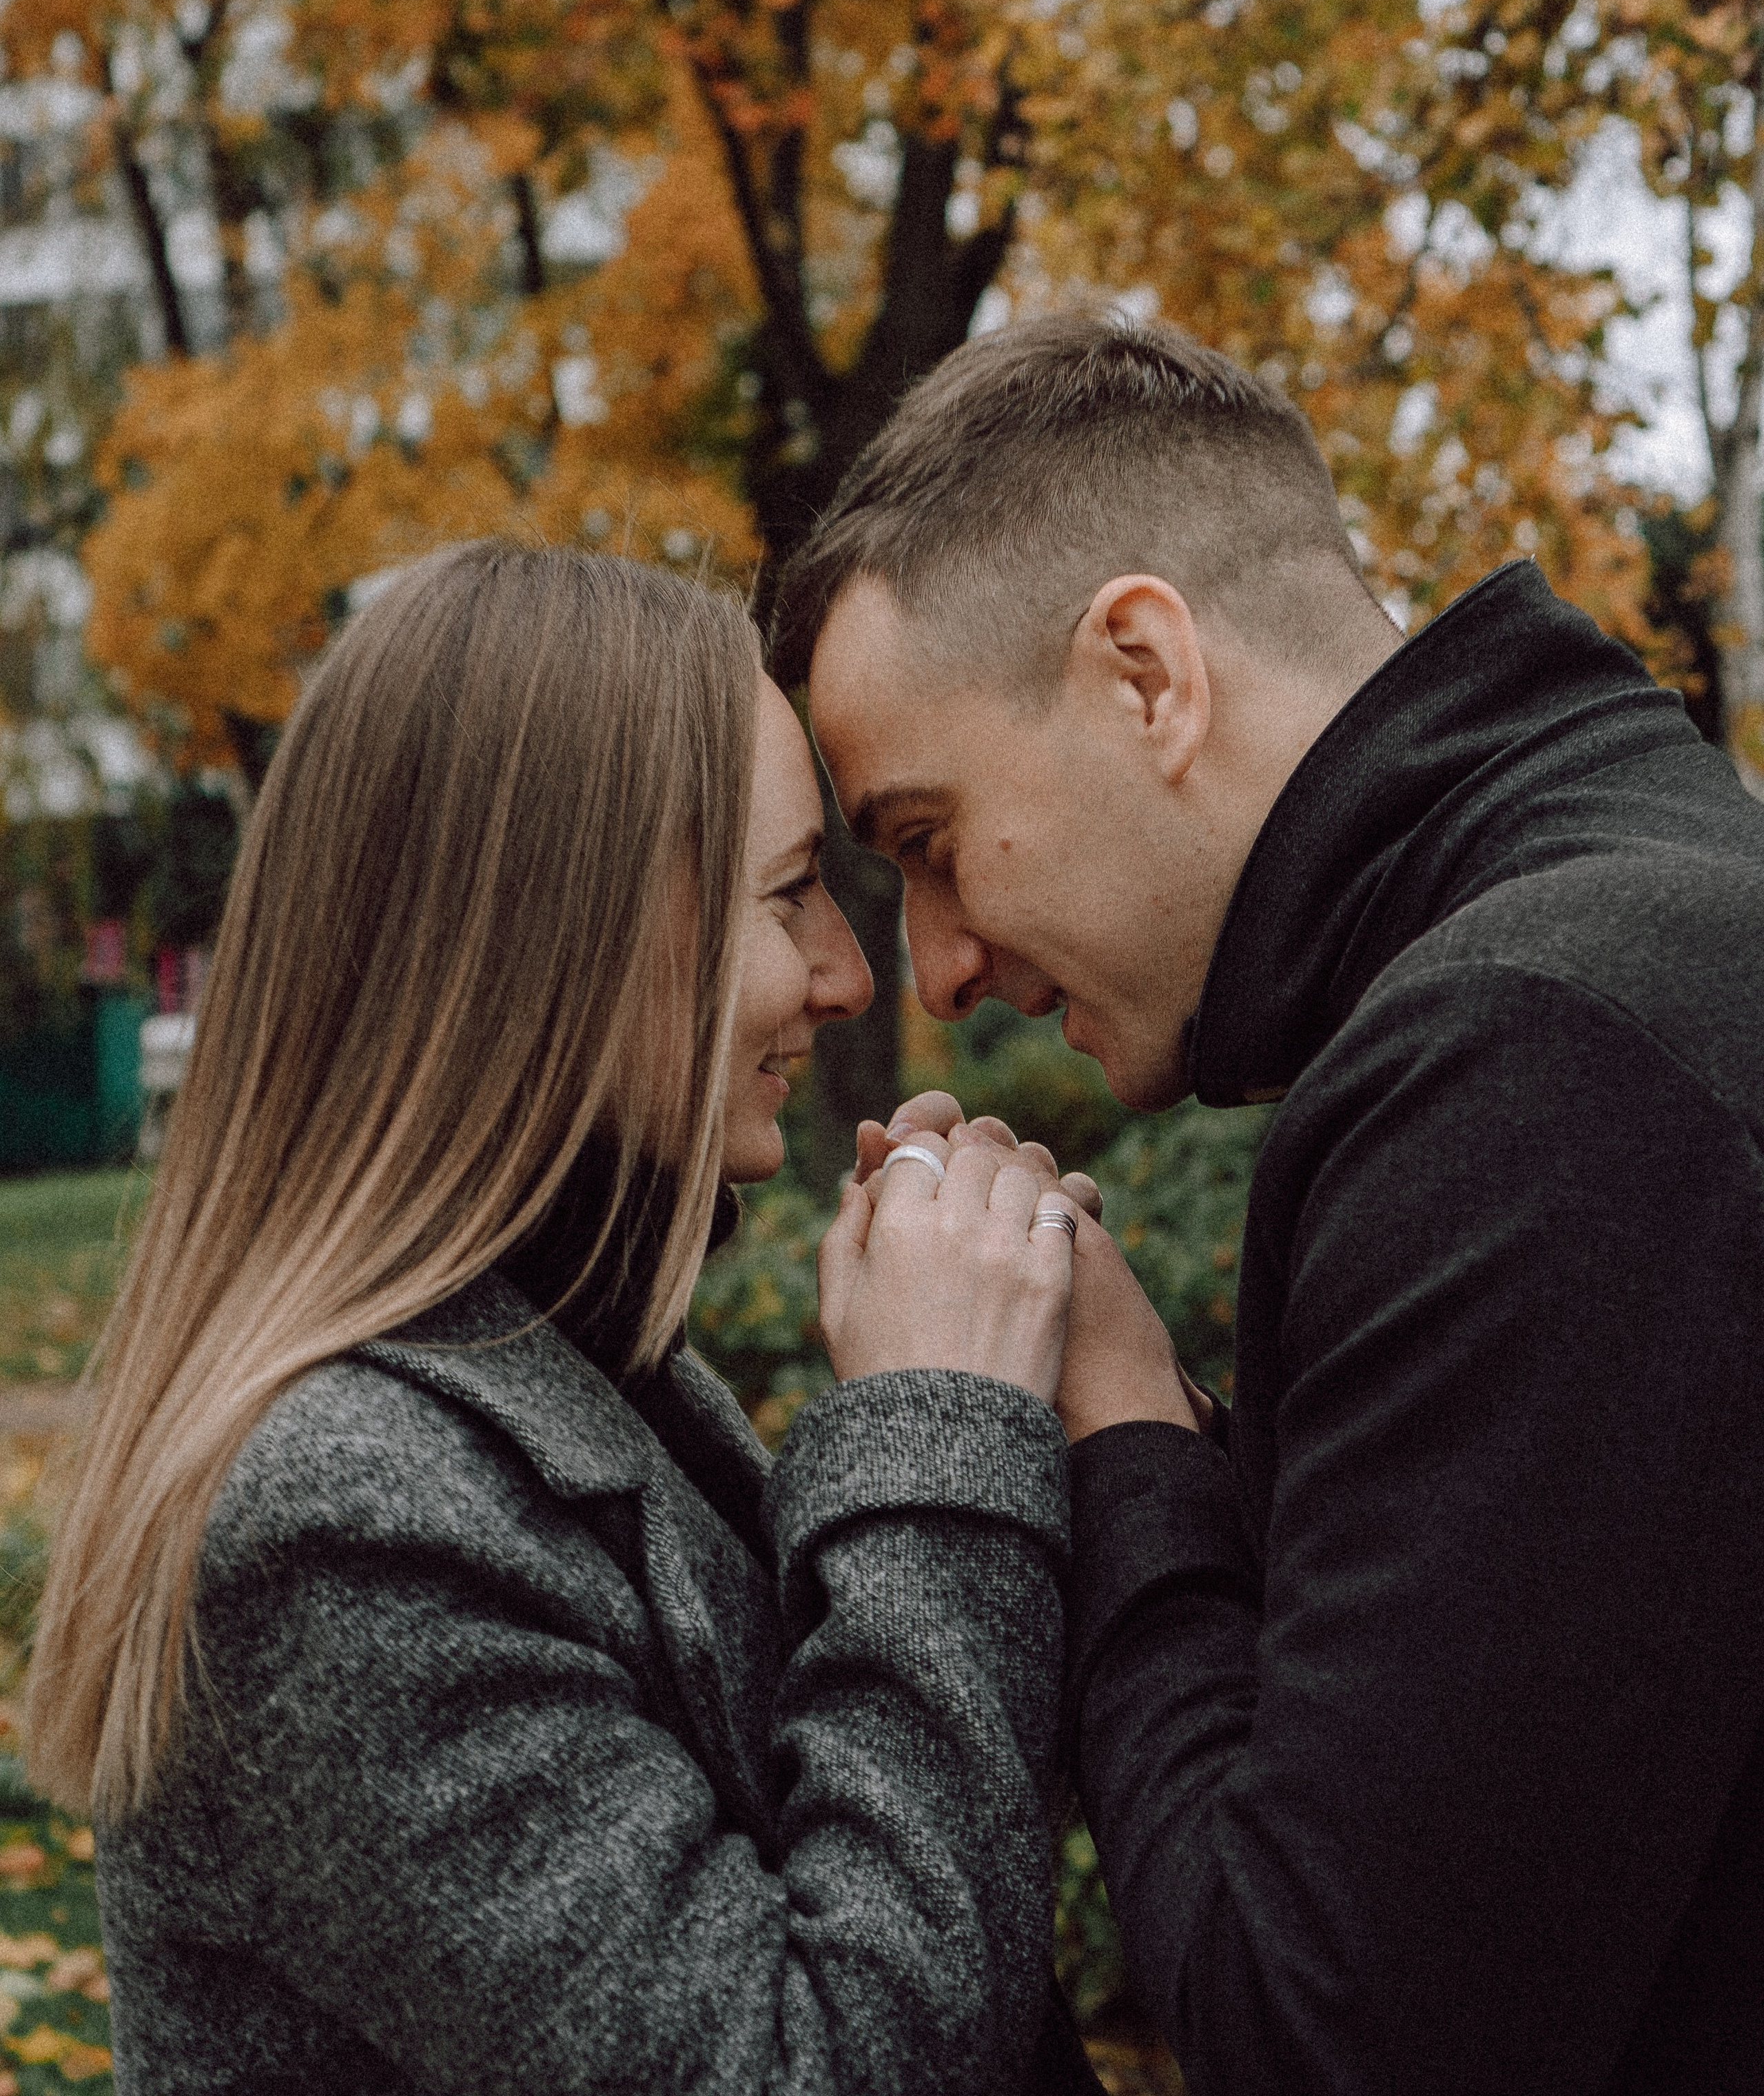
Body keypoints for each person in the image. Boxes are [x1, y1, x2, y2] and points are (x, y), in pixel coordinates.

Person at [773, 310, 1764, 2096]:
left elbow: (1328, 2043)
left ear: (1146, 673)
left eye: (925, 842)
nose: (935, 967)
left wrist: (1118, 1433)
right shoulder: (1628, 920)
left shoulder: (1535, 1066)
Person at [30, 540, 1103, 2096]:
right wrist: (938, 1425)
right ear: (567, 941)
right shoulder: (340, 1524)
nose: (847, 976)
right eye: (792, 894)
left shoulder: (566, 1386)